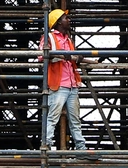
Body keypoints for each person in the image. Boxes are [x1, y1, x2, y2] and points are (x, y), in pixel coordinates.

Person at [40, 9, 97, 159]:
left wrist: (92, 61)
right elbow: (42, 55)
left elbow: (72, 57)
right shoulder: (50, 38)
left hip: (72, 85)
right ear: (58, 21)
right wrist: (62, 55)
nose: (69, 20)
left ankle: (81, 149)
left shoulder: (68, 40)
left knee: (75, 120)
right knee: (52, 117)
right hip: (58, 85)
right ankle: (45, 148)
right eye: (66, 18)